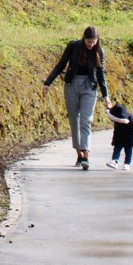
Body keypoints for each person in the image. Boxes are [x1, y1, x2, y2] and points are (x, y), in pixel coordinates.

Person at [42, 26, 111, 170]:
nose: (91, 45)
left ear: (97, 40)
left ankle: (86, 155)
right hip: (71, 85)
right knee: (74, 120)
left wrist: (106, 96)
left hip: (89, 87)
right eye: (88, 42)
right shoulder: (73, 46)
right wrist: (48, 82)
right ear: (83, 38)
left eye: (93, 42)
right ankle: (79, 153)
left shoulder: (99, 51)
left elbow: (101, 74)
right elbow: (61, 64)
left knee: (86, 120)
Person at [105, 102, 133, 171]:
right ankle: (114, 161)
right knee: (116, 149)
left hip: (129, 139)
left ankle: (127, 164)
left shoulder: (130, 118)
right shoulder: (116, 116)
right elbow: (111, 115)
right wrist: (108, 108)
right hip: (119, 137)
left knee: (128, 152)